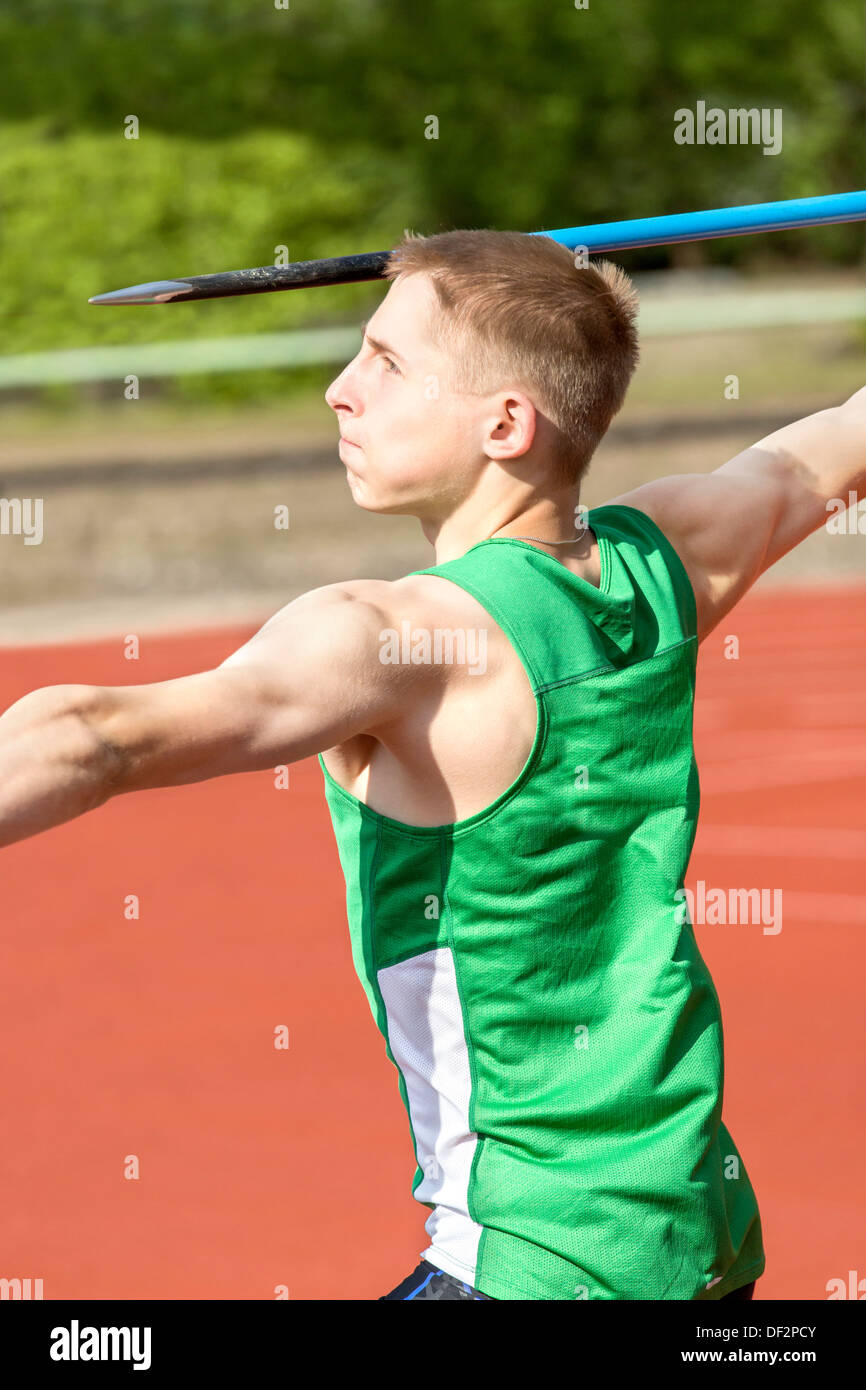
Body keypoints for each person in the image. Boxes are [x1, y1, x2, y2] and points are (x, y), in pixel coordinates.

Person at [2, 229, 863, 1300]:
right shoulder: (668, 558)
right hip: (691, 1231)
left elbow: (93, 734)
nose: (336, 390)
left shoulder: (391, 638)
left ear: (504, 423)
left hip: (531, 1261)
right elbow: (840, 433)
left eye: (385, 362)